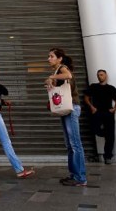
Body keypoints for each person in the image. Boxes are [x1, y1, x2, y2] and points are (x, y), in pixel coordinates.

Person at [46, 48, 87, 187]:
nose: (48, 59)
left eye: (51, 56)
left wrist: (52, 78)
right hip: (65, 109)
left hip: (72, 108)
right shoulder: (57, 71)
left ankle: (80, 178)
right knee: (70, 145)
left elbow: (68, 75)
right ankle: (73, 174)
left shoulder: (63, 68)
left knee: (75, 144)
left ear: (60, 58)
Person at [84, 69, 116, 164]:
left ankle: (108, 157)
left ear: (106, 76)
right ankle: (107, 134)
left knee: (110, 136)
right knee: (95, 129)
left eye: (101, 75)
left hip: (108, 113)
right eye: (98, 75)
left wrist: (114, 109)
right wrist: (92, 107)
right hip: (97, 112)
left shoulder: (111, 88)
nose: (100, 76)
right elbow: (86, 98)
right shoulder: (93, 86)